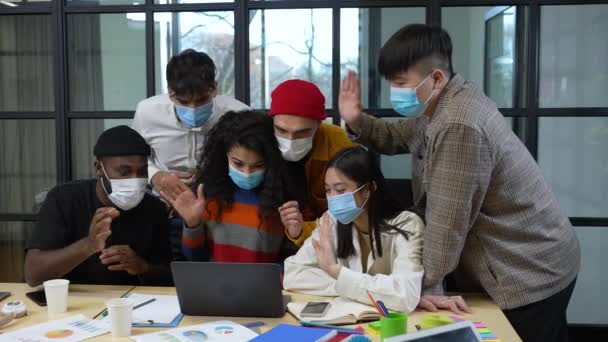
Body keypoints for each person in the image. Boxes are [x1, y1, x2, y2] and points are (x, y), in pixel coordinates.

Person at [339, 24, 580, 341]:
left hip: (528, 270)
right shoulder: (441, 103)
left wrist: (420, 288)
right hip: (538, 255)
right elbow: (398, 136)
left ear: (435, 78)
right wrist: (356, 120)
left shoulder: (459, 123)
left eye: (400, 83)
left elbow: (446, 223)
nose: (394, 93)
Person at [131, 49, 249, 259]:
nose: (193, 109)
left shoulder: (238, 114)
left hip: (221, 215)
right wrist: (155, 176)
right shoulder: (147, 112)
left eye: (202, 100)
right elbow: (134, 156)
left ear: (215, 88)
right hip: (164, 212)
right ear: (170, 92)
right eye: (184, 102)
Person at [24, 126, 172, 286]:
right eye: (124, 172)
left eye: (142, 172)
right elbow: (33, 275)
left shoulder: (153, 209)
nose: (135, 180)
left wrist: (143, 267)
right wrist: (89, 245)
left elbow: (168, 276)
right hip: (71, 302)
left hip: (128, 303)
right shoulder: (64, 199)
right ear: (99, 168)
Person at [283, 147, 424, 312]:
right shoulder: (331, 220)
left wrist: (335, 271)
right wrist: (348, 285)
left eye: (341, 190)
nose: (333, 198)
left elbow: (404, 295)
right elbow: (293, 274)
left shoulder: (408, 224)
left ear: (368, 190)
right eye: (328, 190)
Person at [165, 111, 300, 263]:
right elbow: (194, 258)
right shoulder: (204, 194)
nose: (247, 173)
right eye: (238, 163)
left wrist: (295, 235)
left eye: (259, 165)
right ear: (224, 156)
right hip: (213, 284)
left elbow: (293, 265)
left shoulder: (285, 198)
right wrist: (192, 224)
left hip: (264, 286)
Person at [269, 79, 354, 247]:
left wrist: (303, 230)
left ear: (319, 124)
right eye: (281, 130)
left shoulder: (338, 145)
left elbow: (350, 216)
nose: (290, 140)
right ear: (272, 121)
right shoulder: (259, 139)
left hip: (325, 239)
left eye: (303, 132)